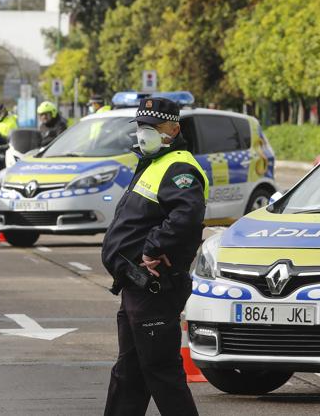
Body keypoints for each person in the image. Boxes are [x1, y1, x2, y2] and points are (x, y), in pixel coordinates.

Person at [101, 96, 208, 416]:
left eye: (152, 127)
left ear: (173, 129)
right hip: (136, 285)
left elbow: (186, 217)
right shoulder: (154, 162)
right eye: (141, 126)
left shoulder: (179, 167)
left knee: (161, 371)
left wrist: (153, 248)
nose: (143, 133)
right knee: (129, 373)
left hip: (154, 286)